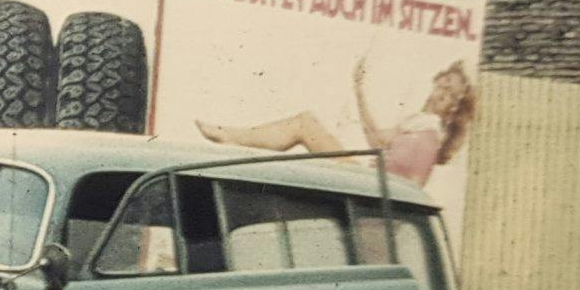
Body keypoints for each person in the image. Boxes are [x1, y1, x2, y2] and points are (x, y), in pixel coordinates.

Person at [194, 59, 477, 187]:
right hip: (375, 184)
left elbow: (376, 140)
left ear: (452, 108)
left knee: (305, 124)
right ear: (436, 81)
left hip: (372, 186)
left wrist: (359, 91)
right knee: (305, 127)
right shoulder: (425, 127)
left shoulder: (425, 125)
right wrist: (359, 91)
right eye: (444, 86)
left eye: (450, 93)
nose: (442, 93)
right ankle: (231, 137)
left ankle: (230, 136)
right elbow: (375, 138)